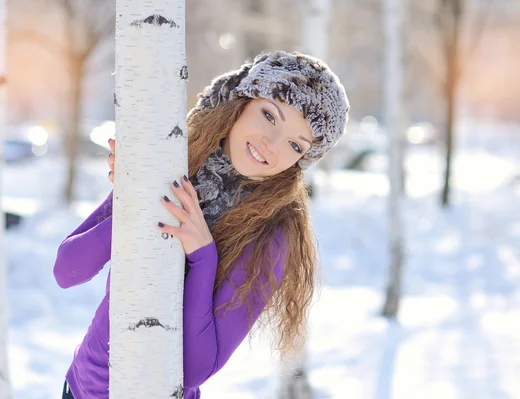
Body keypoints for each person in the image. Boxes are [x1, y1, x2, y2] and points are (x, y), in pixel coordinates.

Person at [53, 50, 349, 399]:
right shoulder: (175, 161)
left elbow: (194, 369)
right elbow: (68, 270)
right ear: (242, 101)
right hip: (78, 388)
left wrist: (202, 254)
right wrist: (138, 203)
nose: (271, 146)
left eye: (295, 145)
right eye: (269, 115)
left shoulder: (275, 232)